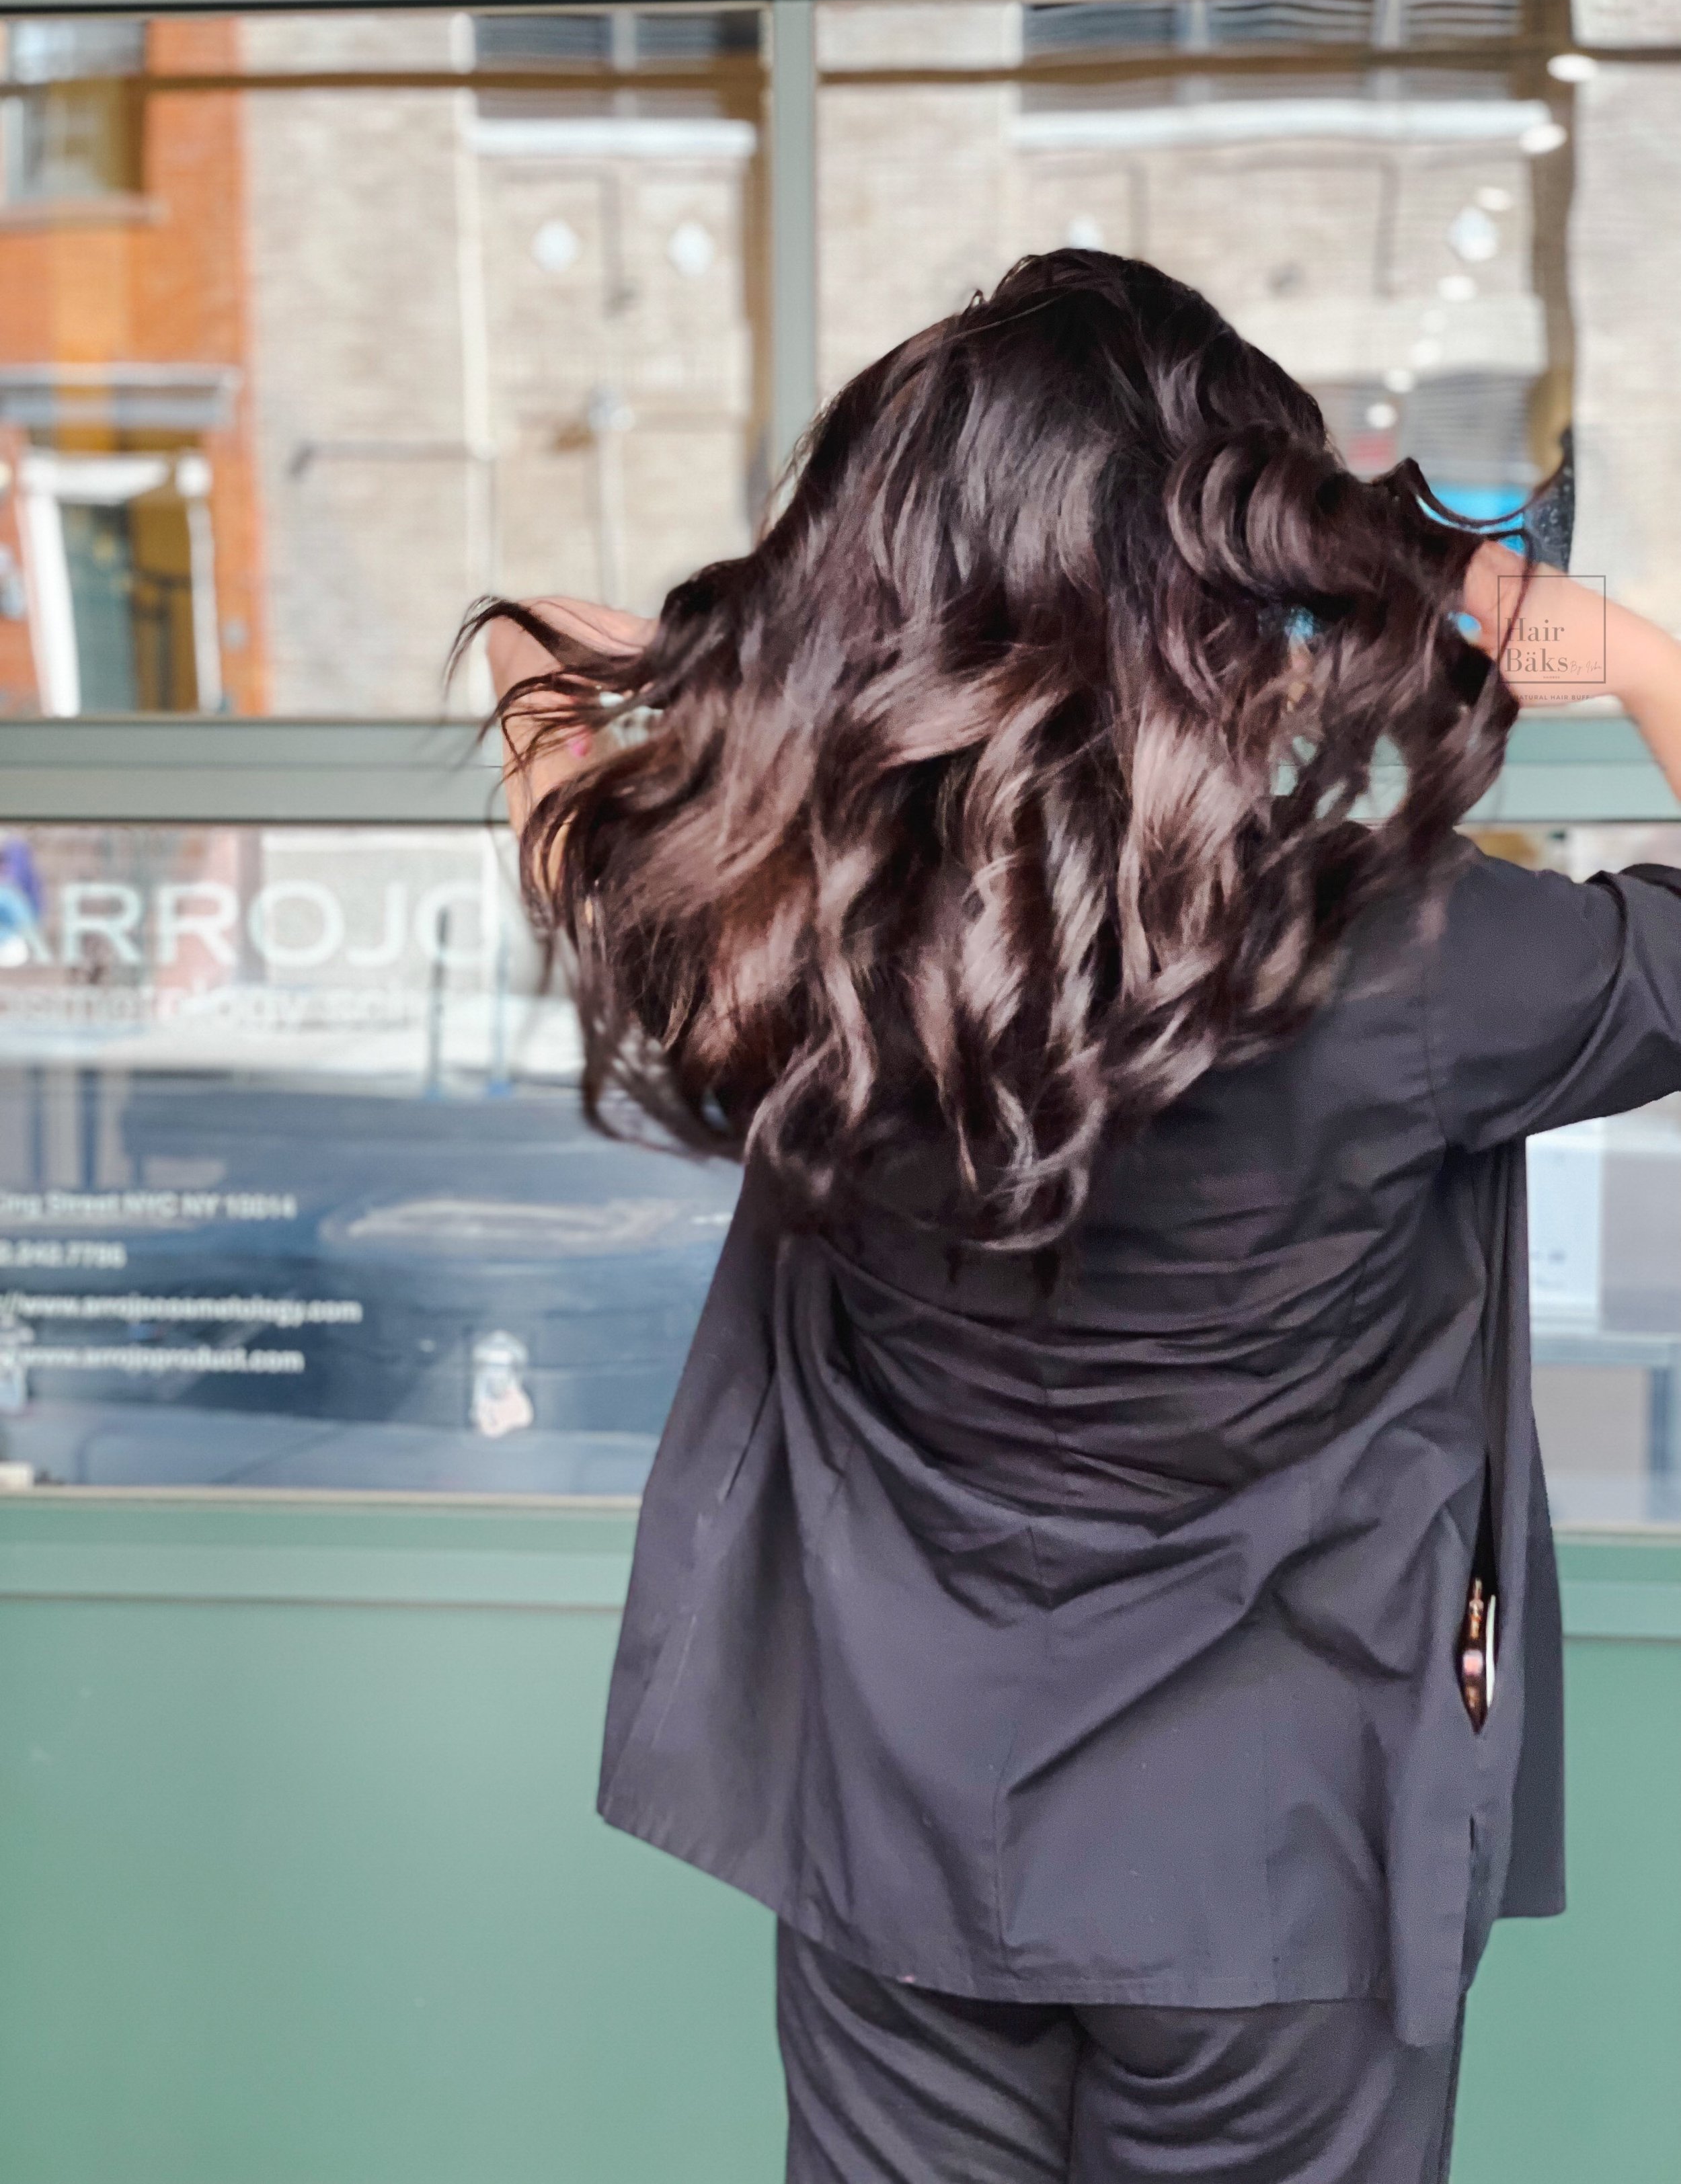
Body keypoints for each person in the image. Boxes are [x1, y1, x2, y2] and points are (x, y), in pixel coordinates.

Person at [475, 250, 1681, 2184]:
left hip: (893, 1835)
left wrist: (733, 690)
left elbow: (538, 676)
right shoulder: (1404, 950)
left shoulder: (789, 921)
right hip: (1270, 1874)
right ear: (1229, 562)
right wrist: (1617, 652)